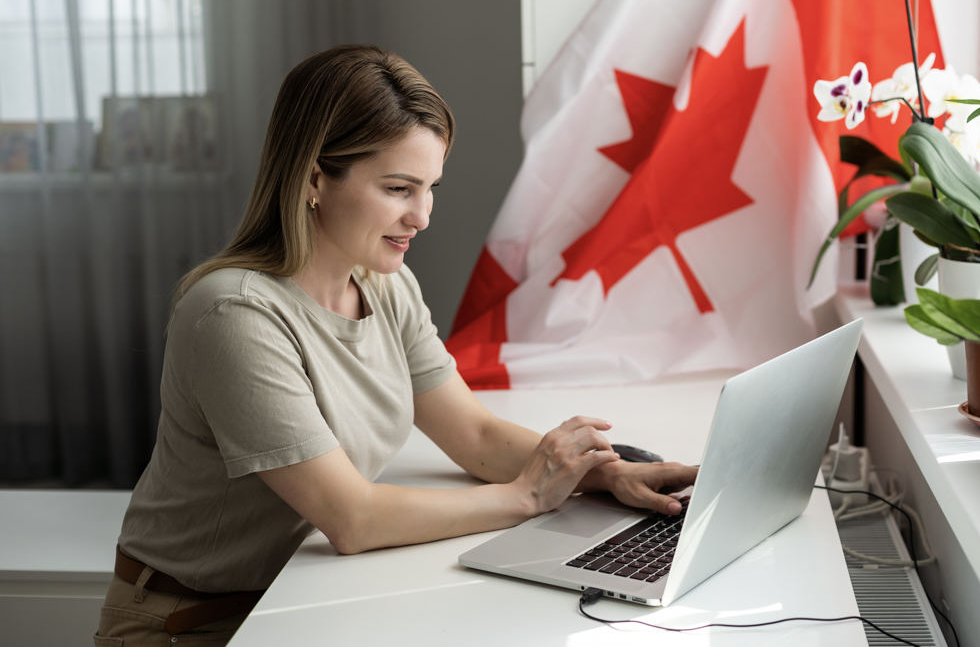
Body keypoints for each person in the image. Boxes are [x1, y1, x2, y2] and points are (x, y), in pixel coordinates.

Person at [94, 45, 698, 645]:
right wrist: (527, 496)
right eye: (399, 188)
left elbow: (476, 437)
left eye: (430, 187)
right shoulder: (233, 314)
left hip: (300, 601)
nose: (423, 216)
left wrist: (607, 474)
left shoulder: (385, 282)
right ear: (312, 178)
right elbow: (352, 519)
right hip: (186, 622)